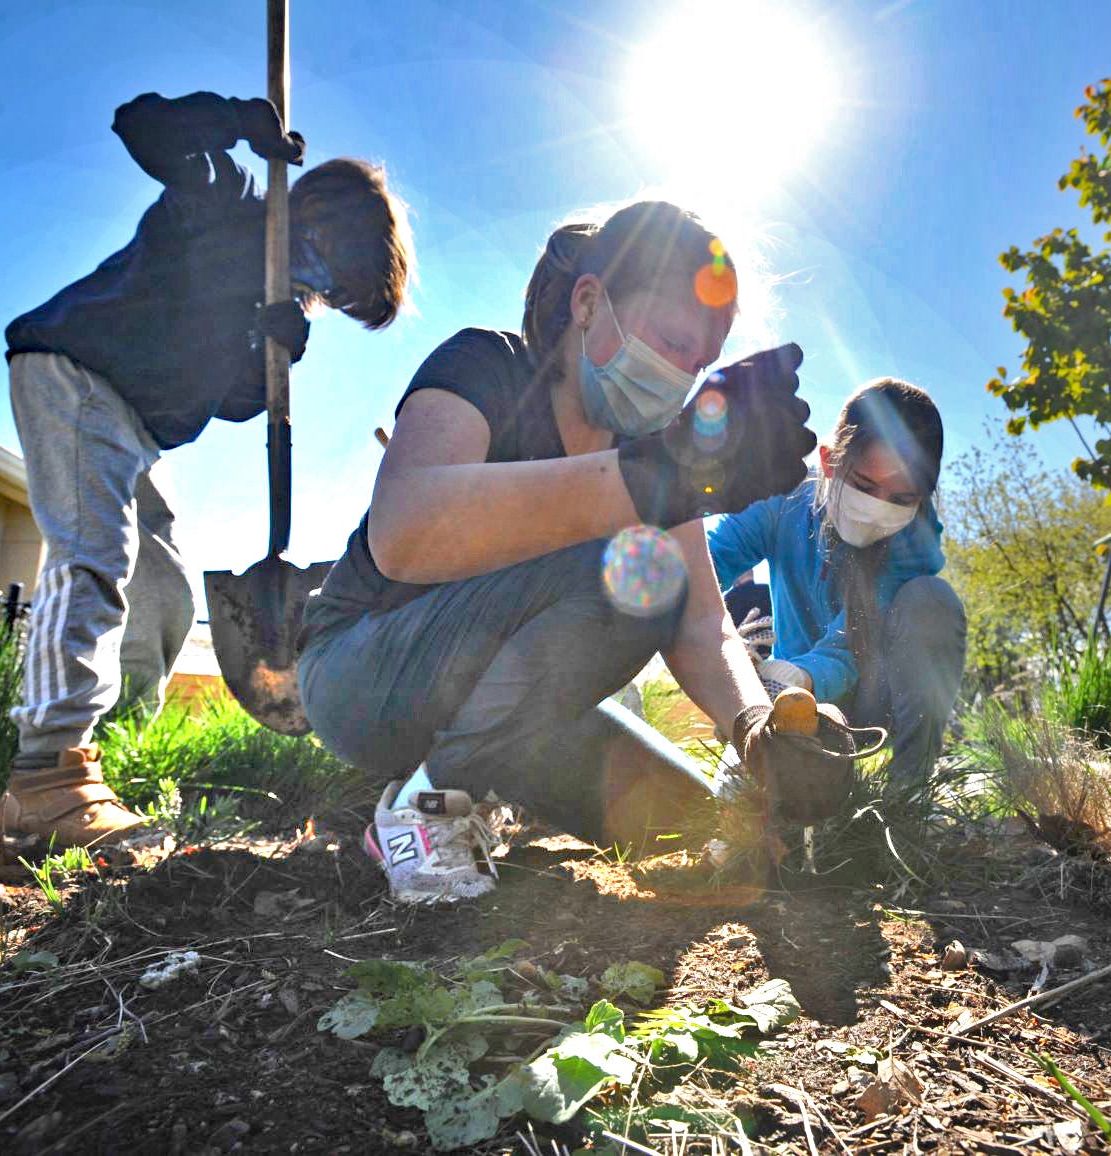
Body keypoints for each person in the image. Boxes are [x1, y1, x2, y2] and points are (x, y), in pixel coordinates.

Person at [297, 200, 851, 904]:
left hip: (511, 711)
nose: (682, 374)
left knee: (688, 825)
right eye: (672, 339)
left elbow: (702, 624)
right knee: (640, 568)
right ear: (589, 302)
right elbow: (403, 535)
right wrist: (650, 482)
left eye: (701, 361)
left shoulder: (648, 453)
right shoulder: (484, 365)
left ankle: (475, 774)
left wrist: (757, 732)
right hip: (363, 673)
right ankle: (428, 805)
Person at [0, 92, 414, 876]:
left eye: (339, 296)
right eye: (331, 273)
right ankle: (48, 774)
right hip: (78, 369)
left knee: (167, 591)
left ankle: (105, 756)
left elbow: (229, 401)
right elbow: (141, 126)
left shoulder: (276, 300)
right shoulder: (226, 199)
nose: (324, 290)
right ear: (312, 222)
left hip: (142, 427)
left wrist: (274, 353)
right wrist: (233, 123)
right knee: (93, 558)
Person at [707, 379, 964, 787]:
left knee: (932, 600)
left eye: (901, 499)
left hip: (875, 697)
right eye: (864, 485)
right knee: (737, 802)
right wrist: (724, 664)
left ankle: (909, 792)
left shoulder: (913, 540)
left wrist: (796, 678)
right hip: (789, 697)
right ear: (829, 461)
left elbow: (852, 638)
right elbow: (708, 560)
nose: (879, 508)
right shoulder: (783, 498)